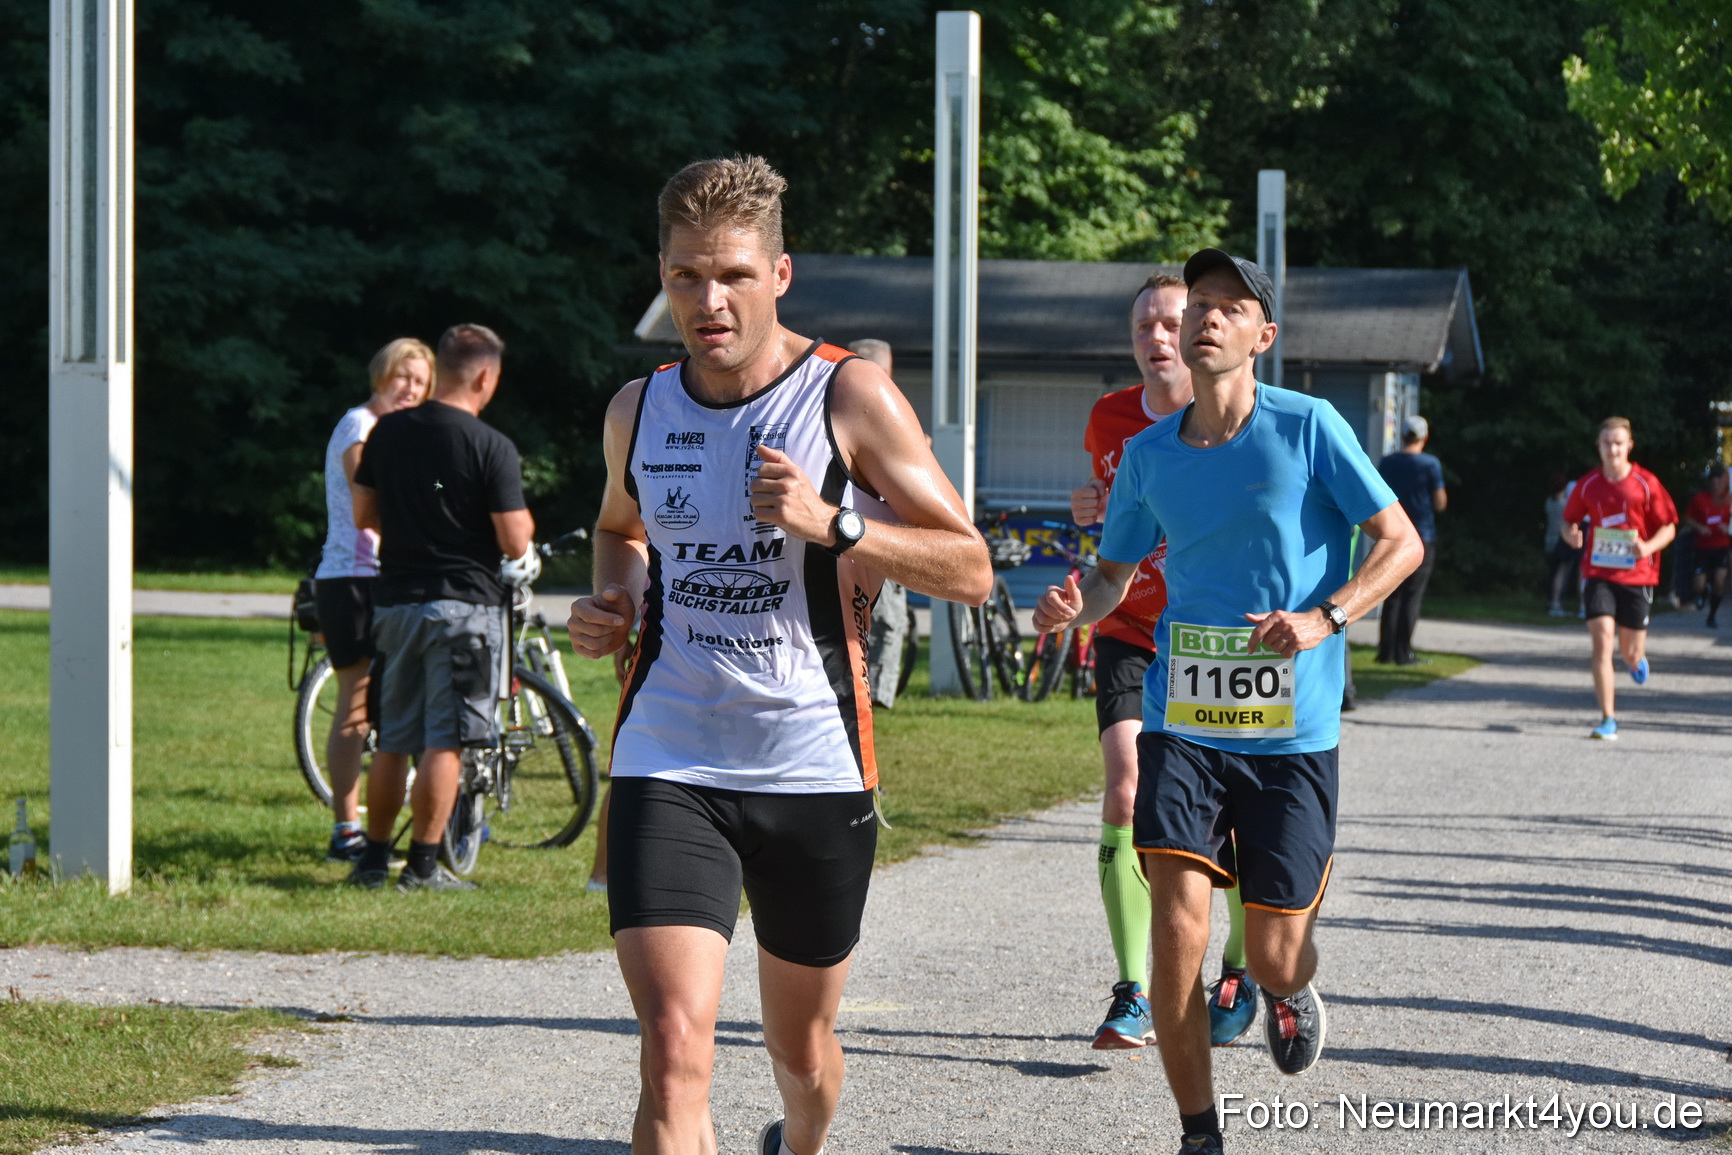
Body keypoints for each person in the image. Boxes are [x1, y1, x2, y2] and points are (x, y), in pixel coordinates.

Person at [566, 155, 991, 1155]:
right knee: (672, 1051)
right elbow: (620, 530)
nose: (707, 302)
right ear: (662, 275)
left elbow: (969, 568)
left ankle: (800, 1141)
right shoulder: (638, 408)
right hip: (668, 751)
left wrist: (832, 522)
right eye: (684, 277)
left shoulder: (850, 395)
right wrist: (615, 602)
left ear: (779, 274)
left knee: (800, 1053)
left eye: (733, 276)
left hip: (810, 760)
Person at [1034, 249, 1422, 1155]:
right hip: (1185, 723)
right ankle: (1199, 1135)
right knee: (1179, 933)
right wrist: (1072, 605)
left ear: (1262, 335)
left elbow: (1398, 542)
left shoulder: (1310, 425)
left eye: (1227, 307)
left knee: (1278, 947)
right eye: (1197, 303)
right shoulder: (1145, 454)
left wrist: (1327, 616)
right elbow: (1112, 574)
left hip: (1292, 735)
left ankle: (1285, 986)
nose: (1205, 318)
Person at [1068, 273, 1255, 1053]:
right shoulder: (1108, 417)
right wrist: (1088, 507)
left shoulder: (1233, 414)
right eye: (1143, 323)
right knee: (1125, 783)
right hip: (1127, 624)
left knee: (1236, 807)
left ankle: (1237, 971)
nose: (1156, 335)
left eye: (1170, 321)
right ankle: (1132, 991)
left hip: (1210, 635)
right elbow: (1108, 506)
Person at [348, 324, 536, 890]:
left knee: (394, 738)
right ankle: (424, 867)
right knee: (446, 739)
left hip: (396, 604)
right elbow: (513, 540)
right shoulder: (490, 446)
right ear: (485, 376)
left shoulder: (387, 432)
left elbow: (364, 515)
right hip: (465, 609)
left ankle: (373, 860)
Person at [313, 338, 432, 862]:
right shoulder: (361, 427)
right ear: (382, 375)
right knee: (355, 707)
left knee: (389, 705)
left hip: (384, 578)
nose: (411, 389)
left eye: (421, 382)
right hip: (353, 579)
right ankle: (346, 828)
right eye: (403, 377)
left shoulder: (393, 433)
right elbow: (372, 504)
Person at [1560, 417, 1678, 741]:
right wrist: (1570, 535)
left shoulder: (1645, 483)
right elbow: (1567, 521)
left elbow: (1669, 527)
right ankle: (1607, 718)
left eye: (1618, 443)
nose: (1612, 449)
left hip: (1638, 575)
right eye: (1606, 443)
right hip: (1598, 572)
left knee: (1629, 652)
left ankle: (1637, 661)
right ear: (1598, 447)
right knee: (1601, 641)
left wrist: (1647, 547)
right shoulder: (1588, 484)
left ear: (1629, 446)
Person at [848, 339, 912, 709]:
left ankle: (868, 693)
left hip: (844, 533)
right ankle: (875, 697)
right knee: (889, 620)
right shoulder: (884, 411)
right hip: (876, 536)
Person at [1375, 416, 1446, 665]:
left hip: (1390, 536)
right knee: (1412, 596)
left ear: (1403, 436)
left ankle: (1385, 652)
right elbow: (1440, 502)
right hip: (1421, 536)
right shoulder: (1430, 464)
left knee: (1391, 594)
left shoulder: (1388, 462)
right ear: (1424, 437)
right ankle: (1404, 653)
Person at [1683, 462, 1730, 628]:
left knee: (1719, 581)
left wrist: (1728, 527)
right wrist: (1699, 527)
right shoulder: (1699, 499)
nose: (1716, 486)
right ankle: (1702, 594)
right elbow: (1687, 518)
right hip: (1702, 547)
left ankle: (1712, 616)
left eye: (1720, 482)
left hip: (1722, 547)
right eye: (1714, 482)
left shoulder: (1729, 500)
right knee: (1699, 583)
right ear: (1710, 483)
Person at [1544, 472, 1580, 616]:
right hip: (1560, 541)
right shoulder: (1564, 504)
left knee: (1553, 573)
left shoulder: (1549, 501)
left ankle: (1552, 601)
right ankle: (1556, 604)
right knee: (1562, 572)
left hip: (1549, 541)